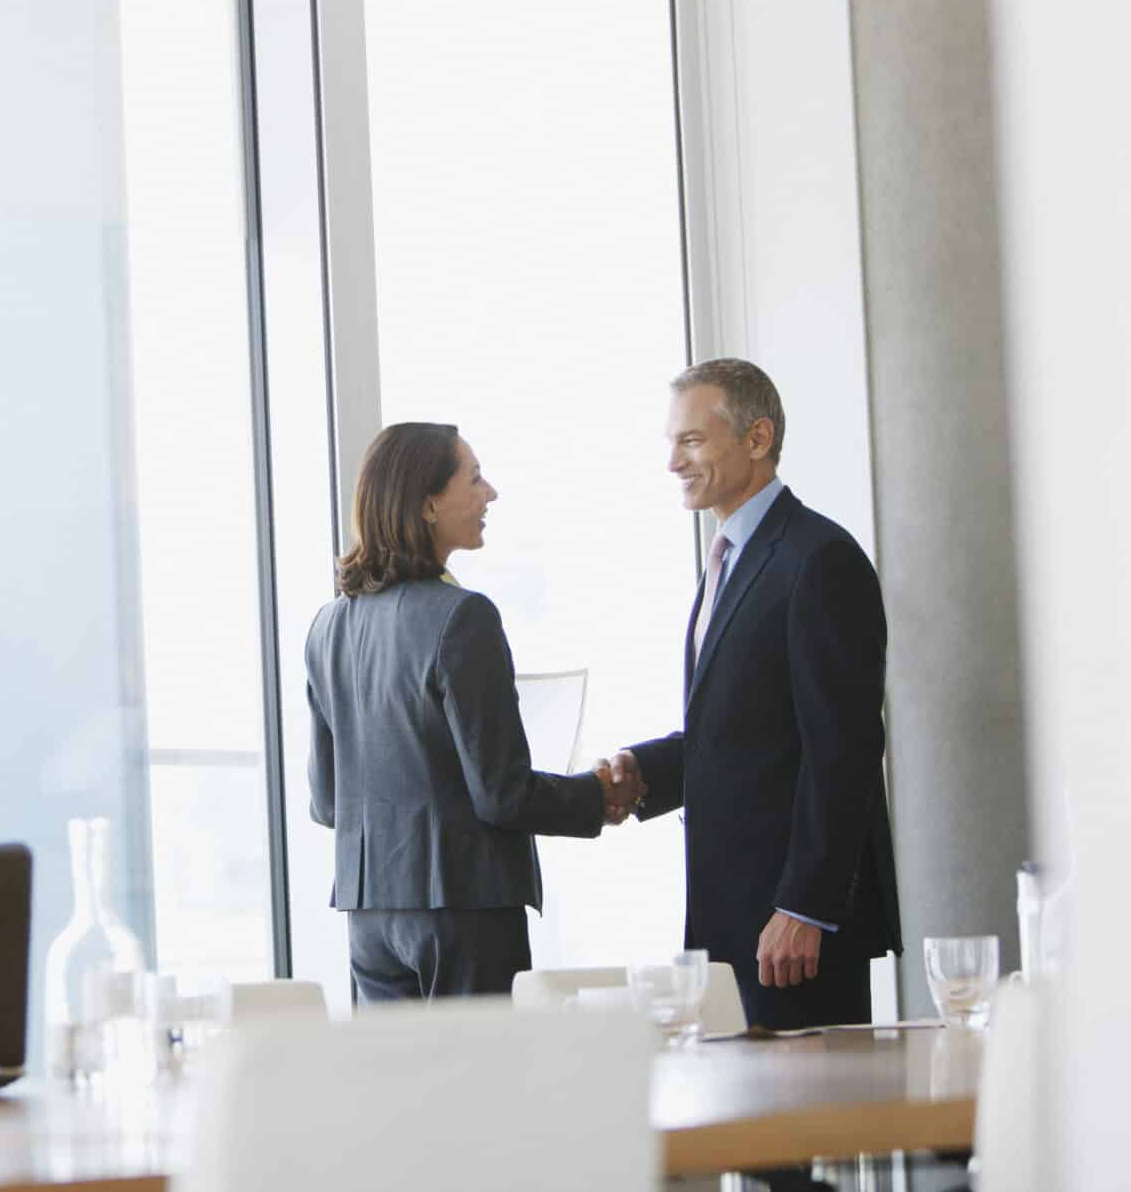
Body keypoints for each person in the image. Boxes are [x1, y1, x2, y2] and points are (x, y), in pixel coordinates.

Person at [601, 360, 902, 1031]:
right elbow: (743, 730)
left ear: (758, 438)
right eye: (671, 442)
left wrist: (805, 905)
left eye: (692, 441)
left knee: (807, 1099)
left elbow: (844, 749)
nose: (673, 462)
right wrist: (646, 770)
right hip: (731, 919)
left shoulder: (818, 558)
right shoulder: (729, 557)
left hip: (792, 931)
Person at [306, 422, 635, 1003]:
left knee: (396, 1069)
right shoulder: (463, 616)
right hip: (463, 906)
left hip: (368, 916)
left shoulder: (327, 626)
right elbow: (502, 795)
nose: (491, 494)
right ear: (428, 503)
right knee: (480, 1066)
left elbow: (328, 802)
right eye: (475, 479)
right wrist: (597, 796)